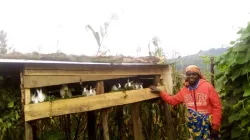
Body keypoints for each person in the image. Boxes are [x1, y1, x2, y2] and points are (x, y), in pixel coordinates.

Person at [150, 65, 222, 140]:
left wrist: (215, 126)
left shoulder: (207, 87)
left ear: (198, 75)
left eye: (194, 74)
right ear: (186, 76)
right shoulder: (184, 90)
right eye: (189, 74)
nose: (191, 76)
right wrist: (160, 92)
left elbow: (217, 106)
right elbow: (172, 101)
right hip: (193, 126)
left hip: (208, 125)